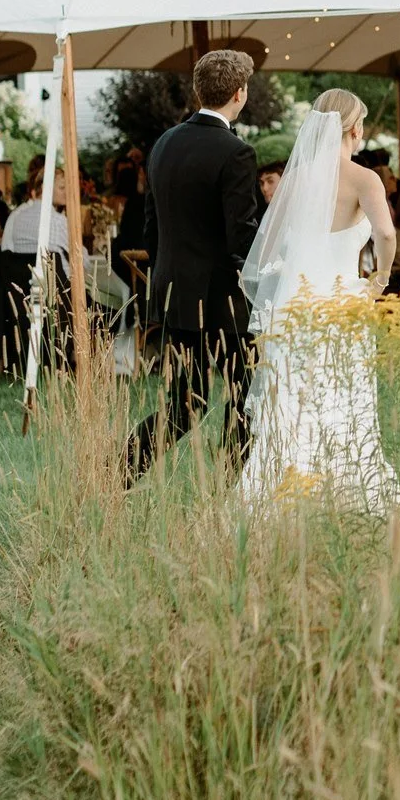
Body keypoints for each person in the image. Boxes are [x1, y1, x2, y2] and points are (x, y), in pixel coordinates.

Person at [240, 87, 399, 509]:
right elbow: (385, 233)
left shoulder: (296, 180)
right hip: (342, 302)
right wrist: (380, 280)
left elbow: (270, 242)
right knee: (344, 394)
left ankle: (281, 490)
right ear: (356, 128)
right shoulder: (366, 179)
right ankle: (346, 492)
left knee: (292, 400)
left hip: (295, 303)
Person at [126, 50, 260, 482]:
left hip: (172, 295)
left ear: (198, 90)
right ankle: (230, 487)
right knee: (247, 394)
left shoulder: (163, 143)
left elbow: (152, 227)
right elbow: (241, 236)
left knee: (190, 401)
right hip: (221, 300)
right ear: (239, 94)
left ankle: (120, 470)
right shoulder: (235, 152)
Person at [2, 166, 131, 313]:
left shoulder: (18, 217)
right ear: (46, 188)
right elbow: (82, 261)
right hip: (64, 298)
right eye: (62, 188)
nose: (67, 192)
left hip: (27, 296)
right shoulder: (57, 220)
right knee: (119, 301)